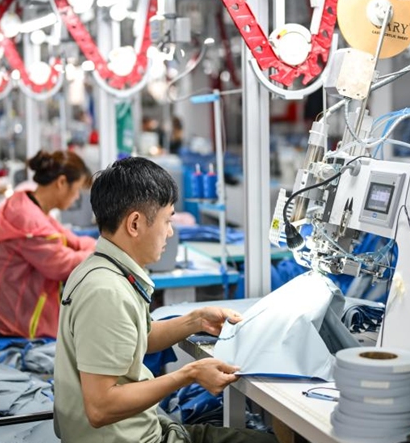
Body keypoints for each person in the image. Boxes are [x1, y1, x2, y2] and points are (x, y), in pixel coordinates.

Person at [54, 157, 277, 443]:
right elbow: (100, 408)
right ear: (135, 223)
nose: (170, 232)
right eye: (167, 220)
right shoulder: (106, 291)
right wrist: (189, 374)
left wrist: (195, 320)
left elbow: (138, 337)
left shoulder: (100, 270)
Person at [0, 150, 97, 340]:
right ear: (62, 183)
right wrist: (102, 252)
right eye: (77, 190)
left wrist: (97, 246)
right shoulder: (28, 220)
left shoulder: (29, 205)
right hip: (7, 326)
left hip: (6, 313)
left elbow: (72, 240)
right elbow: (60, 265)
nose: (76, 198)